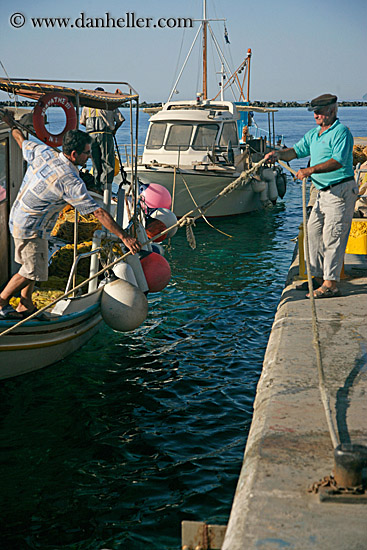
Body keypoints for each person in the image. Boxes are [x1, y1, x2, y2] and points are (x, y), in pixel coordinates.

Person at [0, 114, 140, 320]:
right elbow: (98, 212)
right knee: (32, 270)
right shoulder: (70, 180)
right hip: (32, 227)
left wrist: (11, 125)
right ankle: (2, 301)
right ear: (73, 154)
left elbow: (21, 140)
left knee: (31, 264)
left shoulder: (44, 153)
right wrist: (124, 237)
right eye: (86, 153)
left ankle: (25, 304)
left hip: (18, 219)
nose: (89, 157)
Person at [265, 93, 357, 298]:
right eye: (314, 112)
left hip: (339, 191)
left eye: (320, 112)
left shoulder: (341, 132)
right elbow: (296, 152)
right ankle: (316, 277)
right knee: (313, 233)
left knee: (332, 237)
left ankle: (330, 284)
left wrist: (310, 170)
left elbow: (338, 161)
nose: (315, 115)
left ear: (332, 111)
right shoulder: (314, 134)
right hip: (322, 194)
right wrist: (278, 155)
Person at [80, 88, 125, 193]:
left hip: (91, 136)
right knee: (107, 162)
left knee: (95, 162)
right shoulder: (108, 104)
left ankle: (96, 185)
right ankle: (106, 188)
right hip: (105, 134)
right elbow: (120, 120)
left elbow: (82, 122)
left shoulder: (87, 106)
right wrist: (114, 130)